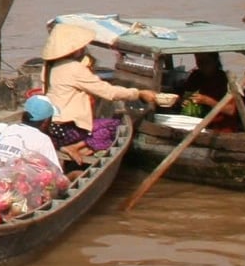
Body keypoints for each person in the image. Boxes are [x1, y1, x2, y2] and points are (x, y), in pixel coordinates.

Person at [42, 23, 161, 163]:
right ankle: (74, 147)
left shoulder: (51, 67)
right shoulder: (74, 69)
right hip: (68, 130)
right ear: (75, 50)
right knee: (114, 126)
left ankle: (77, 148)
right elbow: (108, 92)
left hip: (53, 129)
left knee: (99, 127)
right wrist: (139, 93)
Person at [0, 94, 66, 171]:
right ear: (46, 122)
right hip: (21, 180)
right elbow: (56, 172)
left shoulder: (9, 129)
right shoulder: (43, 139)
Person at [180, 52, 240, 130]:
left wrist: (207, 100)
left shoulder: (225, 79)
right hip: (195, 123)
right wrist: (184, 101)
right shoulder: (195, 76)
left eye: (206, 62)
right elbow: (185, 95)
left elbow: (231, 110)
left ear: (215, 61)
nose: (202, 65)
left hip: (220, 128)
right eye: (199, 62)